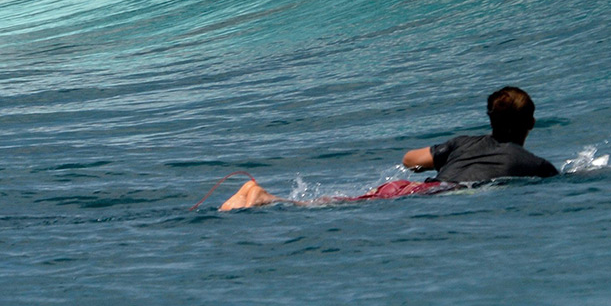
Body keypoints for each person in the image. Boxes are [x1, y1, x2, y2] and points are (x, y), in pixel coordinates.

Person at [218, 86, 558, 211]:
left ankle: (258, 196)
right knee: (331, 207)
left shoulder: (463, 142)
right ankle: (261, 198)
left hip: (407, 187)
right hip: (435, 195)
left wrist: (436, 160)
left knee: (340, 201)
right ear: (530, 123)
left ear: (491, 119)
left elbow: (410, 160)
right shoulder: (535, 164)